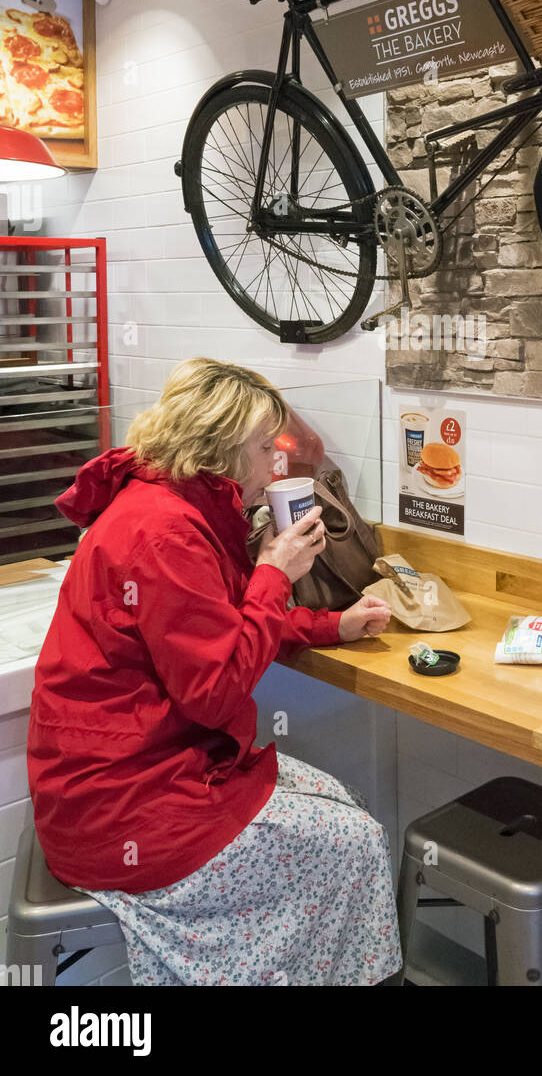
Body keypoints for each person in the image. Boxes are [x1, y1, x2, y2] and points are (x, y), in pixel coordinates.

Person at [26, 357, 401, 986]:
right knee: (354, 841)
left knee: (346, 806)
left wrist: (330, 626)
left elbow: (213, 626)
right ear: (218, 446)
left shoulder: (167, 502)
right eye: (264, 448)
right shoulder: (165, 532)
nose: (276, 466)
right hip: (123, 806)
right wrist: (276, 571)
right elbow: (216, 689)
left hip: (117, 777)